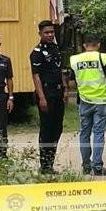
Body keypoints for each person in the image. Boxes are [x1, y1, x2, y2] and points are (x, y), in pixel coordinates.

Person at [69, 35, 106, 175]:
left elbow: (71, 83)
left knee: (84, 133)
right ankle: (97, 166)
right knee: (98, 133)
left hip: (84, 101)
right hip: (100, 101)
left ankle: (86, 165)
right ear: (99, 45)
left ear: (84, 45)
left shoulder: (74, 60)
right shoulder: (103, 58)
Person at [30, 20, 67, 174]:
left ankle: (50, 163)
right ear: (40, 34)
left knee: (57, 129)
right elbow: (36, 76)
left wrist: (65, 90)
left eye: (52, 32)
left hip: (58, 93)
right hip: (46, 94)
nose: (50, 35)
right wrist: (42, 98)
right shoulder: (37, 52)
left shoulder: (55, 49)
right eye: (47, 32)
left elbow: (60, 71)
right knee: (47, 130)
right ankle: (44, 165)